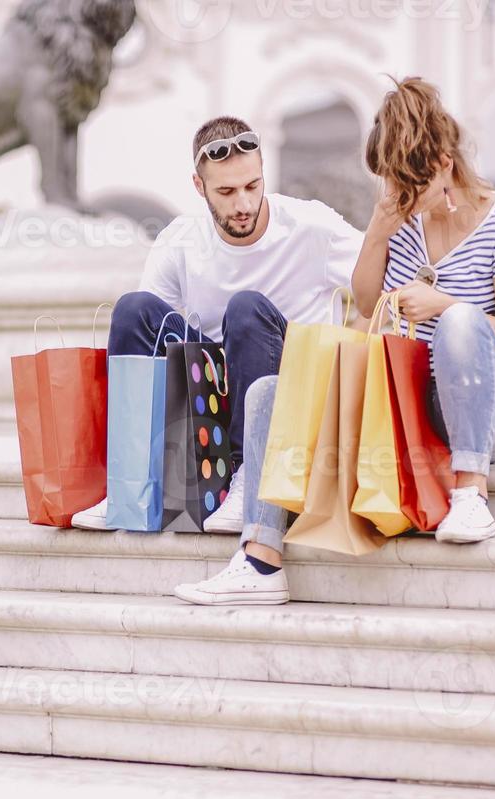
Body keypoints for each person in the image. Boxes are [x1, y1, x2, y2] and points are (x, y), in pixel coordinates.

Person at [175, 76, 495, 606]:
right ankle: (260, 559)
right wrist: (379, 227)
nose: (401, 198)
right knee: (268, 394)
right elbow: (370, 305)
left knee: (464, 324)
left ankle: (471, 494)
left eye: (407, 185)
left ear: (444, 164)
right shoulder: (403, 219)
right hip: (415, 409)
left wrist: (444, 306)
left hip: (489, 421)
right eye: (390, 185)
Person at [72, 116, 362, 533]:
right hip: (213, 403)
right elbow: (148, 342)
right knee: (134, 309)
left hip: (292, 401)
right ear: (199, 186)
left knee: (245, 310)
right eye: (226, 191)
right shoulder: (180, 239)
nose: (243, 204)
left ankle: (248, 479)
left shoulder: (312, 226)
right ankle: (129, 483)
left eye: (252, 186)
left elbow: (381, 283)